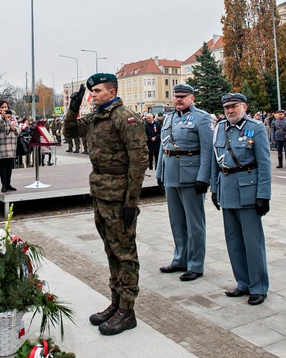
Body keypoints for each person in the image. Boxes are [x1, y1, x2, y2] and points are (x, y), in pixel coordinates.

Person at [63, 74, 148, 335]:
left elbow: (139, 161)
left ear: (112, 92)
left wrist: (131, 202)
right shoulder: (97, 117)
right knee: (111, 250)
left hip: (120, 194)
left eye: (97, 91)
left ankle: (127, 311)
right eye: (91, 92)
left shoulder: (125, 117)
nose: (93, 95)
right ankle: (116, 303)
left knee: (125, 253)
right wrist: (73, 109)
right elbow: (69, 133)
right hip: (100, 192)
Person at [210, 93, 272, 304]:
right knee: (234, 241)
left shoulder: (256, 128)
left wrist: (264, 195)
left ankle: (258, 286)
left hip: (248, 190)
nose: (230, 111)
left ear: (244, 106)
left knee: (252, 242)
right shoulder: (219, 129)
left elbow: (264, 164)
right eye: (227, 107)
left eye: (234, 106)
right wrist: (215, 189)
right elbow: (214, 161)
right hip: (227, 189)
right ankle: (242, 282)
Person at [156, 83, 213, 282]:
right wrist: (159, 173)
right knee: (177, 222)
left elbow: (207, 150)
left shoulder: (202, 118)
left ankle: (196, 264)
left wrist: (203, 178)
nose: (179, 100)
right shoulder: (169, 118)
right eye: (176, 96)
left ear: (192, 98)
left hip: (191, 177)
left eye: (183, 96)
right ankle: (180, 259)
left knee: (194, 223)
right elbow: (164, 148)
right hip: (171, 175)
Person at [0, 100, 19, 192]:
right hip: (2, 145)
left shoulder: (13, 116)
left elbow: (18, 130)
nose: (4, 109)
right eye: (2, 107)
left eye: (6, 107)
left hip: (11, 144)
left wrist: (14, 128)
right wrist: (3, 118)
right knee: (3, 165)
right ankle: (3, 184)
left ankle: (8, 183)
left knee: (10, 166)